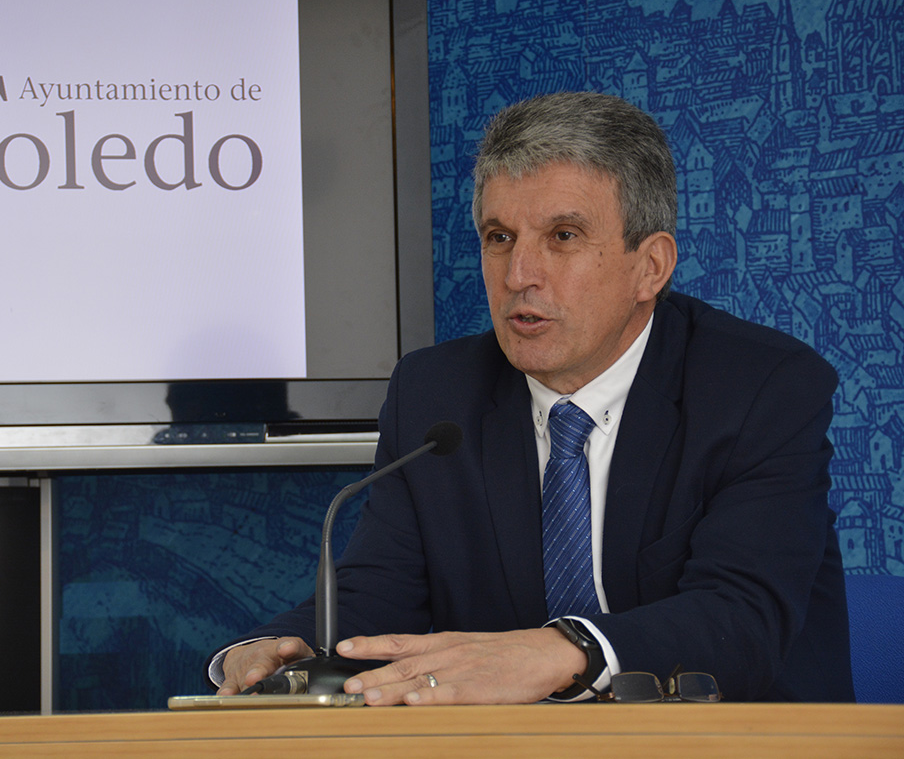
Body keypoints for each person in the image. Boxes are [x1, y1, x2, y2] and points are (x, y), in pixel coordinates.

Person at [209, 91, 854, 704]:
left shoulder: (760, 387)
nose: (519, 276)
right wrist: (284, 650)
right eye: (500, 237)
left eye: (563, 237)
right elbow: (382, 590)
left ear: (650, 266)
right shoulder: (435, 395)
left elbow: (741, 617)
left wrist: (566, 650)